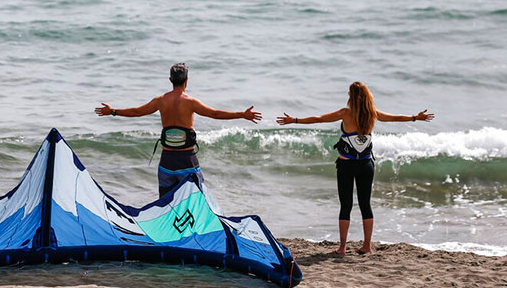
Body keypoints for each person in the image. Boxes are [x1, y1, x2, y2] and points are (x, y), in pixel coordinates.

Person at [276, 81, 434, 255]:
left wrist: (295, 120)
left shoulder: (345, 113)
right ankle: (367, 246)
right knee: (366, 205)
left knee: (346, 205)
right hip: (366, 165)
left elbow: (319, 119)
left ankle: (342, 248)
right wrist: (415, 118)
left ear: (351, 96)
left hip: (346, 165)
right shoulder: (372, 114)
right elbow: (395, 117)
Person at [95, 62, 262, 197]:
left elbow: (138, 112)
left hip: (166, 161)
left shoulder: (160, 100)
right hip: (187, 160)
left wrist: (113, 111)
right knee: (197, 201)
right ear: (186, 80)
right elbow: (215, 114)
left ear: (170, 80)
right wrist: (241, 114)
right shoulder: (191, 102)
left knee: (166, 203)